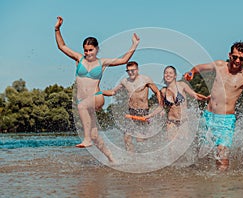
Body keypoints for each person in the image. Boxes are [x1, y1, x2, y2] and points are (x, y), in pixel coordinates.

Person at [54, 16, 140, 163]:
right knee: (96, 136)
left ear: (97, 49)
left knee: (82, 108)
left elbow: (123, 60)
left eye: (91, 50)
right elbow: (62, 46)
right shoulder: (79, 59)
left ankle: (86, 139)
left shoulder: (102, 62)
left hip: (97, 97)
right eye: (86, 50)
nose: (88, 53)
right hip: (83, 101)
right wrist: (57, 29)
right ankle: (112, 159)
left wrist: (134, 44)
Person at [183, 41, 243, 170]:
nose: (237, 61)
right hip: (208, 116)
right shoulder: (219, 65)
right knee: (201, 154)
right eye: (235, 57)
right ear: (229, 55)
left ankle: (223, 186)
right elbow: (199, 68)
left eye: (241, 58)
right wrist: (191, 72)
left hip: (226, 121)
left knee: (222, 156)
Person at [102, 61, 162, 152]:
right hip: (131, 111)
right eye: (128, 71)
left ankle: (147, 154)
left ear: (137, 70)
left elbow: (157, 91)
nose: (130, 73)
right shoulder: (125, 82)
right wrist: (99, 92)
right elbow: (113, 92)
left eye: (133, 70)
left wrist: (160, 105)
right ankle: (131, 158)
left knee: (140, 139)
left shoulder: (145, 79)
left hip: (143, 112)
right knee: (126, 137)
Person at [145, 66, 209, 140]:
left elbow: (195, 95)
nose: (168, 74)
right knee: (171, 147)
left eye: (170, 73)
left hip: (183, 122)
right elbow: (160, 107)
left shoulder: (182, 85)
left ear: (175, 75)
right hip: (171, 122)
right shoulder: (163, 91)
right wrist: (150, 115)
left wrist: (206, 98)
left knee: (182, 144)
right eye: (166, 73)